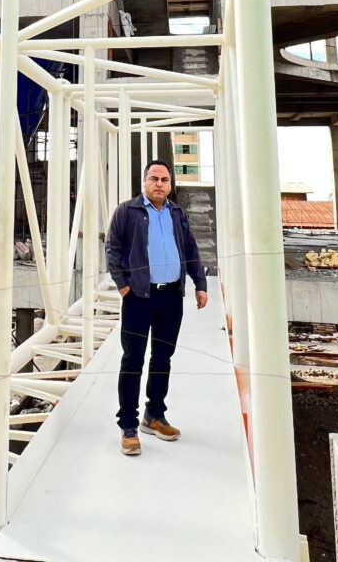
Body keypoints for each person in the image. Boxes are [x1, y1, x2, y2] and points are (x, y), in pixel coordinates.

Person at [105, 159, 208, 456]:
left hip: (171, 297)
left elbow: (190, 248)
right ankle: (128, 425)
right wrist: (123, 285)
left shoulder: (177, 213)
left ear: (170, 184)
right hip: (139, 297)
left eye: (164, 179)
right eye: (154, 178)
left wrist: (199, 283)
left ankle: (154, 416)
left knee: (163, 358)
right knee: (132, 360)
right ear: (145, 182)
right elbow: (112, 248)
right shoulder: (127, 211)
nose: (159, 184)